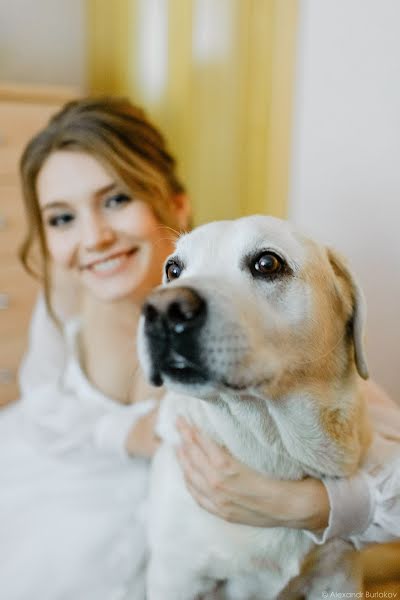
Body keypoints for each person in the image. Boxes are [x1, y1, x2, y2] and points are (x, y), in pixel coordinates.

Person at [0, 96, 398, 599]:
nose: (94, 237)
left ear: (174, 204)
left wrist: (311, 507)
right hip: (85, 485)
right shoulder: (63, 299)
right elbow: (46, 406)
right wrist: (128, 435)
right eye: (61, 219)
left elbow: (354, 420)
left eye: (116, 199)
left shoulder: (260, 322)